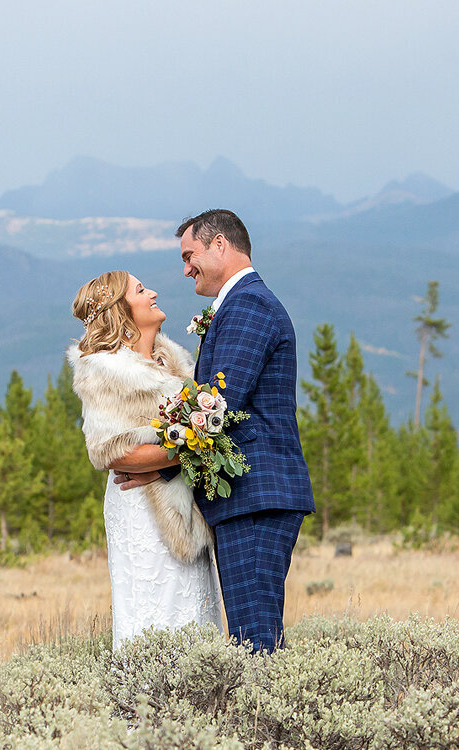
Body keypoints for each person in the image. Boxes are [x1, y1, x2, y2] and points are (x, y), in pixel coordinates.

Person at [119, 209, 315, 653]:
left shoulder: (248, 305)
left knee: (254, 641)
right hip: (250, 498)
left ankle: (266, 722)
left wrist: (157, 466)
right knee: (253, 634)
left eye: (190, 255)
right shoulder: (242, 304)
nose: (186, 268)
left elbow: (218, 409)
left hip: (255, 496)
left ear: (220, 245)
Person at [68, 270, 222, 649]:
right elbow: (108, 452)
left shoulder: (173, 362)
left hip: (187, 511)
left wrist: (171, 458)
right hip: (145, 512)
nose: (152, 292)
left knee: (195, 610)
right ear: (122, 311)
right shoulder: (106, 372)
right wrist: (192, 448)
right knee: (156, 610)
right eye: (141, 290)